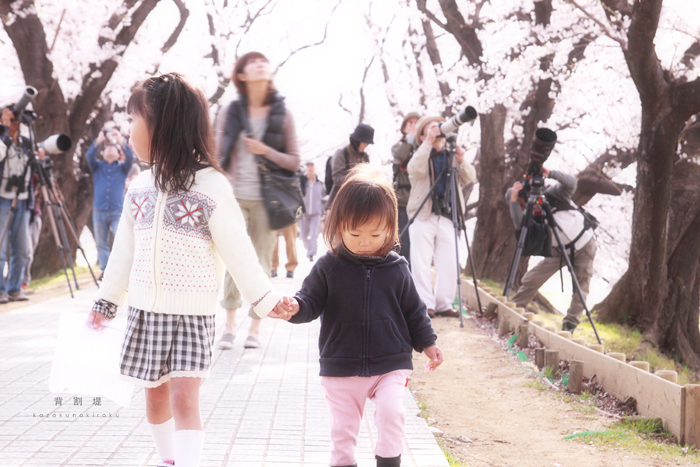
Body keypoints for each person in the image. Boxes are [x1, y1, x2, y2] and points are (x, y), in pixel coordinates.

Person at [86, 73, 283, 467]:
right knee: (155, 395)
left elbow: (239, 252)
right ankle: (168, 459)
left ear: (163, 126)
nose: (128, 131)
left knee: (182, 396)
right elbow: (123, 253)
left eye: (134, 121)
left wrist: (266, 300)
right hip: (145, 312)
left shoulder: (211, 187)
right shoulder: (139, 186)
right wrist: (106, 303)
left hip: (191, 315)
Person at [273, 165, 444, 467]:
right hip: (341, 365)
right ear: (338, 226)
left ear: (390, 228)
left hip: (390, 362)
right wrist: (294, 308)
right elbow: (309, 300)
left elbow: (414, 311)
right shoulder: (328, 266)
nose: (365, 241)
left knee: (393, 413)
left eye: (376, 233)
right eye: (355, 233)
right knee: (343, 432)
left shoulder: (398, 268)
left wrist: (428, 342)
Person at [215, 51, 300, 350]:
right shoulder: (230, 112)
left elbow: (294, 161)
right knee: (231, 261)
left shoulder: (282, 113)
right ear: (241, 75)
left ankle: (254, 328)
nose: (261, 63)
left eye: (264, 60)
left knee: (263, 261)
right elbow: (216, 154)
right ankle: (228, 325)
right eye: (252, 62)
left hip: (267, 202)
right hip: (233, 198)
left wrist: (265, 150)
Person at [506, 167, 596, 333]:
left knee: (581, 287)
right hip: (559, 251)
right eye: (520, 204)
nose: (525, 204)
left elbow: (572, 183)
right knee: (531, 278)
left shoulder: (551, 195)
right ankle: (514, 310)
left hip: (584, 244)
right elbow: (519, 225)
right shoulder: (527, 216)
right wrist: (513, 199)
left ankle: (569, 325)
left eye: (522, 200)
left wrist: (551, 174)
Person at [406, 115, 476, 318]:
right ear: (421, 135)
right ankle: (425, 305)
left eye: (438, 126)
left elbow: (469, 178)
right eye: (430, 128)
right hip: (423, 214)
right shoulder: (419, 154)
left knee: (450, 262)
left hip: (448, 215)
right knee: (421, 263)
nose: (437, 130)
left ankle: (444, 304)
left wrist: (461, 159)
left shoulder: (451, 154)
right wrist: (428, 142)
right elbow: (415, 171)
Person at [0, 106, 44, 303]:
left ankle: (14, 288)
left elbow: (34, 170)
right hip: (3, 198)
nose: (15, 121)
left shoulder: (26, 142)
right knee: (0, 245)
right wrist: (6, 130)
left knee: (22, 247)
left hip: (23, 198)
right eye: (11, 117)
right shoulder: (2, 140)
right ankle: (1, 290)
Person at [85, 129, 134, 279]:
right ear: (103, 153)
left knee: (121, 240)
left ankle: (122, 269)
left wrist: (120, 141)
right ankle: (105, 270)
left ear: (119, 154)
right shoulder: (97, 167)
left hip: (117, 210)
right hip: (99, 210)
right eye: (107, 148)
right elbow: (88, 155)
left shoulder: (122, 168)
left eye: (114, 148)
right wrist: (98, 141)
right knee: (101, 243)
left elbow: (131, 156)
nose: (110, 148)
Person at [392, 112, 420, 267]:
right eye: (410, 123)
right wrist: (409, 138)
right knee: (404, 243)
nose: (414, 126)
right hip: (403, 201)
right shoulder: (399, 146)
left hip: (422, 202)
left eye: (417, 122)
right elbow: (399, 156)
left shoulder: (424, 145)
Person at [326, 123, 374, 208]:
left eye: (367, 143)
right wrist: (356, 177)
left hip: (358, 203)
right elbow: (337, 179)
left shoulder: (365, 157)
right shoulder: (341, 154)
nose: (366, 146)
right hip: (339, 203)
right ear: (358, 140)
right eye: (364, 142)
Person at [299, 161, 324, 261]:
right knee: (304, 235)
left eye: (312, 166)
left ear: (314, 168)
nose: (310, 168)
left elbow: (324, 198)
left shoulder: (320, 184)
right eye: (308, 166)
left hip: (316, 213)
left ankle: (311, 253)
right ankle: (309, 248)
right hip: (304, 213)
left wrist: (324, 212)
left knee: (314, 233)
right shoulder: (302, 183)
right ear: (306, 168)